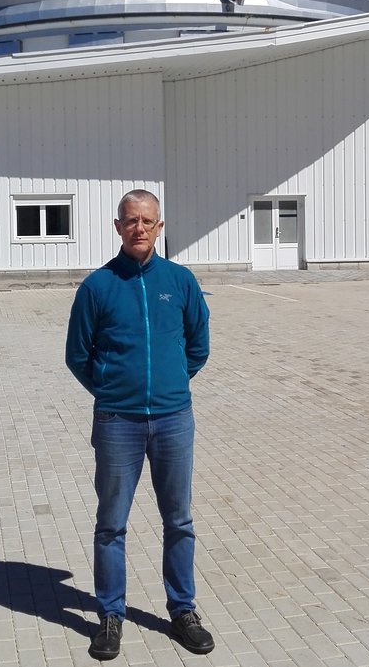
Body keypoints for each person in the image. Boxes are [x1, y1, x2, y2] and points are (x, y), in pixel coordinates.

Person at [65, 189, 214, 660]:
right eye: (131, 221)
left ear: (160, 226)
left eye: (147, 221)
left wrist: (168, 386)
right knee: (111, 524)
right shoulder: (97, 286)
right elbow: (77, 356)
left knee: (180, 520)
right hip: (117, 424)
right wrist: (114, 390)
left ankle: (182, 610)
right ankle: (110, 614)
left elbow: (198, 345)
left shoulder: (180, 280)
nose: (139, 229)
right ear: (117, 226)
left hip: (174, 421)